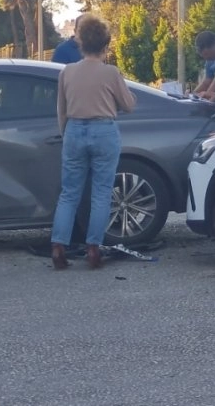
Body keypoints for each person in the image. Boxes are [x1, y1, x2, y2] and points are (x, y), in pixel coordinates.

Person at [51, 14, 136, 270]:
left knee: (69, 192)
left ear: (80, 43)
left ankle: (58, 245)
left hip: (74, 130)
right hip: (103, 131)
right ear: (106, 44)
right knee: (101, 192)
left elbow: (61, 110)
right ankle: (93, 248)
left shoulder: (67, 72)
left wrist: (66, 134)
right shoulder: (110, 72)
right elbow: (129, 105)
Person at [193, 31, 215, 102]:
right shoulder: (210, 59)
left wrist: (207, 95)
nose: (207, 59)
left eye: (209, 57)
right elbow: (206, 82)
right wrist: (192, 95)